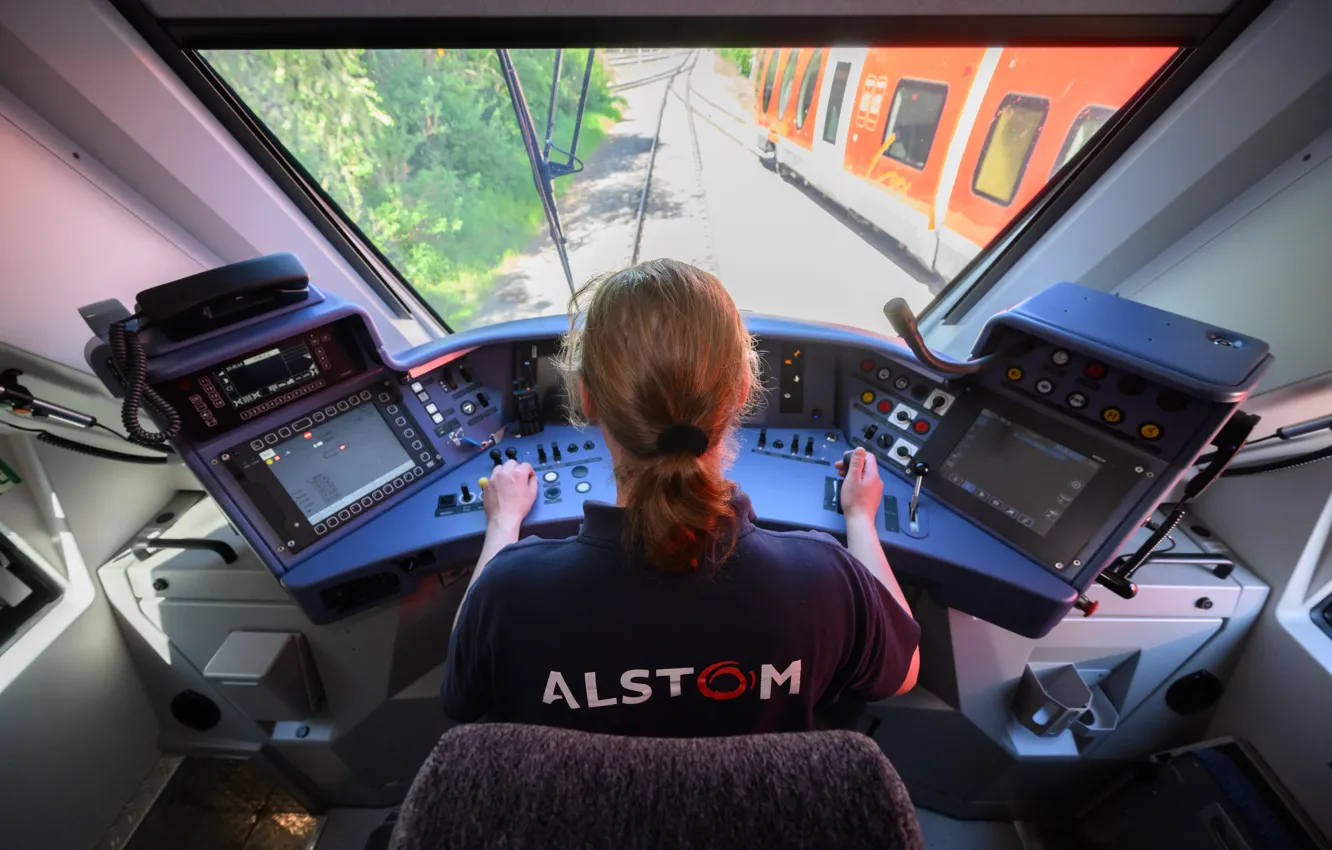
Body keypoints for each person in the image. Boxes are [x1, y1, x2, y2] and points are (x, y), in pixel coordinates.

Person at [440, 259, 919, 737]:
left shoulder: (511, 593)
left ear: (586, 397)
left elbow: (461, 696)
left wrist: (503, 526)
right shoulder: (824, 581)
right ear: (742, 391)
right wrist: (859, 518)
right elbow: (904, 673)